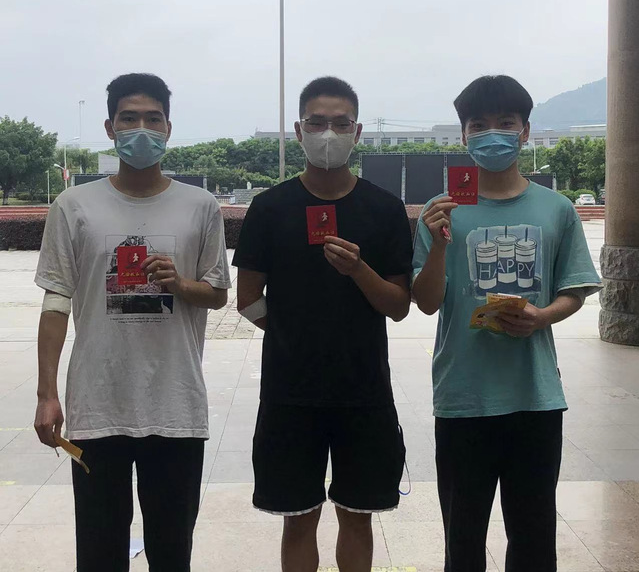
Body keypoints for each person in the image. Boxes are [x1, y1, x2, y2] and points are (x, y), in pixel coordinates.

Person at [34, 73, 231, 572]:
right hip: (97, 406)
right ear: (110, 127)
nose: (141, 129)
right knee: (99, 553)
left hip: (176, 407)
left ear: (168, 128)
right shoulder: (73, 206)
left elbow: (217, 294)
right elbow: (55, 302)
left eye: (152, 119)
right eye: (129, 118)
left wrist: (179, 284)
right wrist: (46, 393)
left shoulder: (200, 206)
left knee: (172, 552)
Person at [412, 75, 602, 572]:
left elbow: (574, 290)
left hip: (535, 398)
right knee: (463, 541)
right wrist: (438, 245)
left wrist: (542, 317)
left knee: (534, 539)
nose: (491, 134)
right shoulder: (440, 211)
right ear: (463, 136)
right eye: (478, 125)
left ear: (525, 132)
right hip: (462, 397)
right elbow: (427, 303)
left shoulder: (556, 209)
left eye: (505, 122)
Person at [233, 76, 412, 572]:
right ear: (298, 130)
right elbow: (247, 300)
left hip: (364, 390)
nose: (328, 133)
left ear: (357, 132)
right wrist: (294, 332)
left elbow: (399, 305)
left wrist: (358, 270)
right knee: (298, 519)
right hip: (290, 393)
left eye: (340, 123)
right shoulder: (270, 208)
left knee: (358, 517)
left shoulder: (383, 208)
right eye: (316, 122)